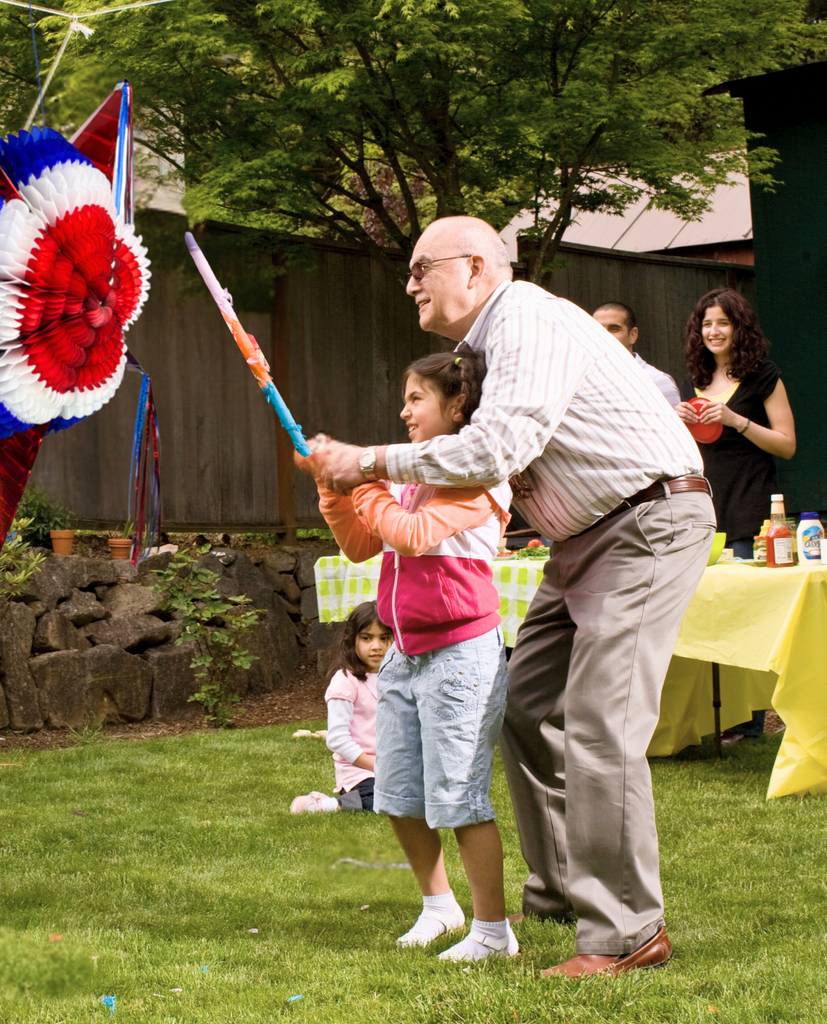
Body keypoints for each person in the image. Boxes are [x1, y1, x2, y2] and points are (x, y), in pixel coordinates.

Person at [307, 216, 715, 978]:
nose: (409, 284)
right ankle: (562, 891)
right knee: (528, 709)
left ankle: (627, 931)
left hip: (646, 520)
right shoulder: (479, 350)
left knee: (599, 721)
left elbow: (499, 449)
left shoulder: (523, 314)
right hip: (582, 541)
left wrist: (365, 460)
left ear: (473, 266)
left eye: (420, 267)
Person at [305, 344, 516, 963]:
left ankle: (493, 932)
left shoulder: (483, 475)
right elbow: (362, 545)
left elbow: (413, 534)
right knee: (398, 790)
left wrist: (364, 478)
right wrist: (333, 491)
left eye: (416, 398)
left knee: (461, 797)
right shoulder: (405, 476)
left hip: (462, 656)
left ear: (457, 406)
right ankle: (438, 907)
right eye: (404, 399)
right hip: (406, 654)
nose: (404, 412)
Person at [674, 288, 795, 743]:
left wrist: (735, 420)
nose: (713, 331)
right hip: (702, 507)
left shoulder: (763, 376)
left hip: (750, 505)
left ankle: (749, 720)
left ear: (739, 327)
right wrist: (675, 418)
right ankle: (712, 715)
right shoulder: (694, 377)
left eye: (722, 322)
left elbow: (786, 444)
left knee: (742, 613)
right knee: (704, 612)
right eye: (706, 323)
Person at [290, 601, 391, 814]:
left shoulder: (398, 678)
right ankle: (326, 804)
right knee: (384, 802)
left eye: (384, 638)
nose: (376, 646)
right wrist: (378, 767)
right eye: (367, 638)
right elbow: (338, 738)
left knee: (417, 799)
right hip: (361, 772)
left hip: (396, 768)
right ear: (352, 640)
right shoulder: (345, 681)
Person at [592, 301, 681, 406]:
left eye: (614, 329)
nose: (604, 335)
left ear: (633, 335)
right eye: (597, 328)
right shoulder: (581, 380)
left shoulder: (657, 382)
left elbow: (672, 422)